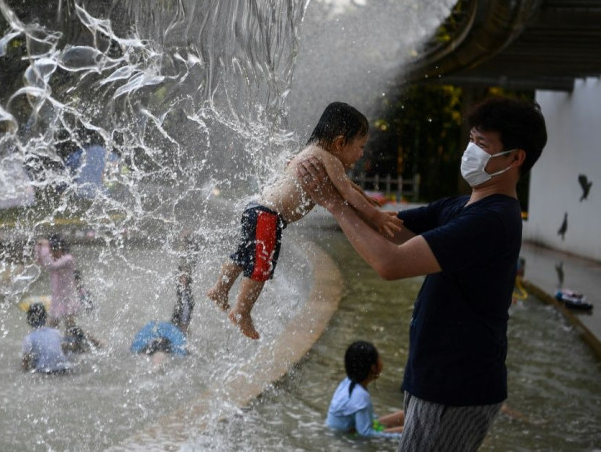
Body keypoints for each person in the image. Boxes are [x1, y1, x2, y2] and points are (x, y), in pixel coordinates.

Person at [298, 96, 547, 451]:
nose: (470, 150)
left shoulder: (491, 222)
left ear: (515, 157)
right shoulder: (460, 207)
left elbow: (391, 263)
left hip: (456, 388)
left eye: (482, 144)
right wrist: (337, 181)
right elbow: (385, 225)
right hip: (435, 380)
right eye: (471, 140)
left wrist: (334, 204)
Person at [207, 102, 402, 340]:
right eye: (360, 147)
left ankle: (220, 289)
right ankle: (241, 311)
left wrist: (369, 202)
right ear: (340, 142)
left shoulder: (312, 152)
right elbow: (348, 194)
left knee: (242, 254)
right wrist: (377, 217)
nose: (361, 153)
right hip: (269, 216)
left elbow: (349, 187)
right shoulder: (328, 159)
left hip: (257, 209)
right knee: (261, 267)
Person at [130, 234, 198, 367]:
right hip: (170, 334)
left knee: (184, 303)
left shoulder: (186, 299)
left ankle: (187, 249)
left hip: (167, 333)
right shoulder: (171, 339)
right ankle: (187, 248)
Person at [326, 340, 404, 439]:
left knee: (406, 415)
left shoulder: (348, 382)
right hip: (344, 437)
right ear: (373, 368)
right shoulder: (360, 395)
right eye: (379, 358)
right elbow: (365, 433)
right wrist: (401, 433)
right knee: (409, 430)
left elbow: (367, 422)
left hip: (349, 429)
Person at [35, 234, 81, 329]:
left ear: (62, 249)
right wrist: (39, 246)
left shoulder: (68, 259)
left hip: (68, 298)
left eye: (54, 250)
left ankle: (97, 343)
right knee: (52, 327)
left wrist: (45, 247)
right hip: (57, 299)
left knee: (72, 328)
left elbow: (52, 266)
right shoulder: (54, 260)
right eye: (51, 251)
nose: (52, 254)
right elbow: (39, 261)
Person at [21, 302, 73, 373]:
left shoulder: (28, 338)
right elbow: (65, 349)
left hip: (44, 370)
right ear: (45, 318)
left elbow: (25, 363)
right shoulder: (56, 332)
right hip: (64, 367)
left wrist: (24, 370)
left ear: (28, 320)